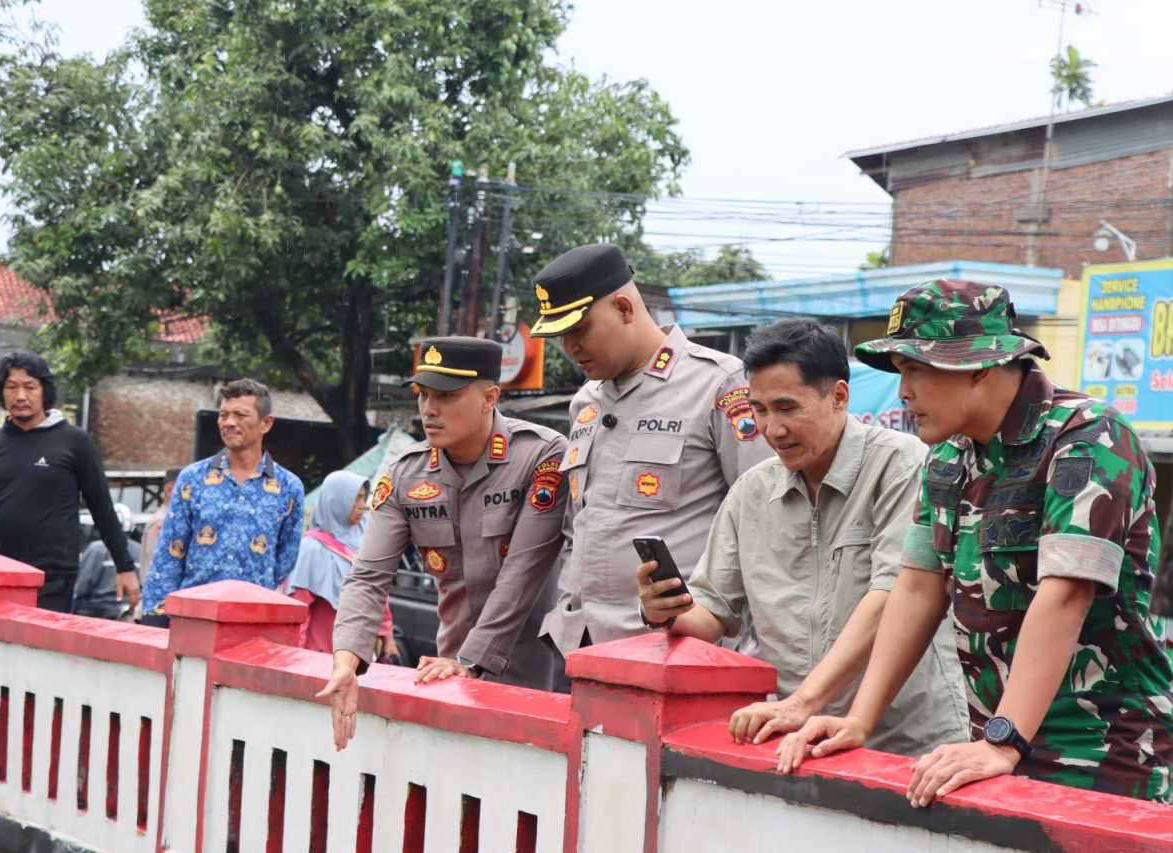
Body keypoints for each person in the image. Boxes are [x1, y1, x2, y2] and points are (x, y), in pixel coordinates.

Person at [778, 279, 1173, 804]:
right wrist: (859, 719)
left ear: (979, 366)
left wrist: (1004, 740)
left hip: (1104, 753)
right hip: (989, 751)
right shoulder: (948, 458)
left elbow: (1066, 596)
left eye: (916, 369)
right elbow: (916, 590)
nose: (903, 391)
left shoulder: (1087, 437)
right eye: (900, 372)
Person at [637, 318, 969, 759]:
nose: (772, 429)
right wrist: (664, 610)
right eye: (760, 410)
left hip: (908, 743)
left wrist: (801, 703)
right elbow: (713, 614)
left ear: (839, 397)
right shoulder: (751, 492)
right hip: (801, 742)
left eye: (787, 408)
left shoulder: (902, 465)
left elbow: (893, 598)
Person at [527, 243, 774, 673]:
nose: (569, 346)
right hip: (579, 645)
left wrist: (747, 656)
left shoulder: (718, 385)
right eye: (559, 335)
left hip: (671, 649)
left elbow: (764, 524)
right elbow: (577, 526)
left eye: (579, 329)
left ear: (624, 308)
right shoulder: (585, 402)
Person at [319, 337, 567, 750]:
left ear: (490, 398)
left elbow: (523, 572)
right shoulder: (405, 474)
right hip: (448, 676)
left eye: (447, 396)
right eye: (423, 395)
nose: (429, 409)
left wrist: (470, 661)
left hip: (539, 681)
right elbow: (367, 577)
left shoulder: (541, 455)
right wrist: (345, 660)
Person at [0, 352, 139, 613]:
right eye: (11, 387)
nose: (20, 395)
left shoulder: (74, 441)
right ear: (2, 393)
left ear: (45, 392)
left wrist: (125, 567)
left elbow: (102, 508)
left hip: (52, 578)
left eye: (30, 387)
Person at [141, 379, 305, 624]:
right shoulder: (192, 479)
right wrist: (155, 616)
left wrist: (256, 588)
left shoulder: (289, 487)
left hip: (253, 619)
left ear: (266, 423)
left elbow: (286, 558)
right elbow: (170, 553)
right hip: (193, 617)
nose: (229, 422)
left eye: (240, 415)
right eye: (224, 415)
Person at [286, 471, 398, 660]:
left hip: (358, 657)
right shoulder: (311, 550)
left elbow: (377, 590)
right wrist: (297, 661)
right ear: (336, 501)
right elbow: (298, 614)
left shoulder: (365, 540)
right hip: (320, 658)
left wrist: (387, 636)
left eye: (364, 497)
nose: (362, 505)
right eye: (356, 498)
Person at [73, 503, 142, 619]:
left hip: (96, 612)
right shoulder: (140, 550)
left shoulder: (97, 548)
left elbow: (82, 588)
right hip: (131, 611)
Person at [138, 468, 182, 585]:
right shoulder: (161, 521)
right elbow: (155, 562)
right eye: (185, 489)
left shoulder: (172, 519)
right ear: (169, 490)